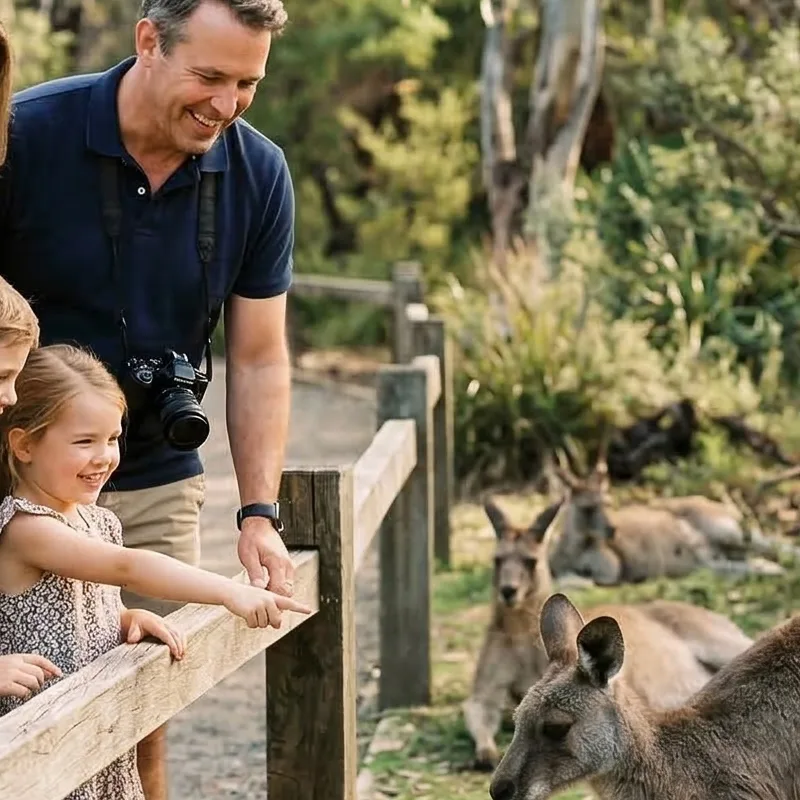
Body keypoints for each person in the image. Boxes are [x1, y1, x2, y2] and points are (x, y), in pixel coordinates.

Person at [0, 1, 295, 794]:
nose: (226, 105)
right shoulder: (25, 136)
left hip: (158, 467)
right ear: (148, 43)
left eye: (247, 84)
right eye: (209, 76)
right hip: (17, 475)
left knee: (139, 710)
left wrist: (258, 513)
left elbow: (260, 357)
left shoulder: (259, 173)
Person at [0, 343, 312, 800]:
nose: (104, 456)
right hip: (43, 740)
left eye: (111, 438)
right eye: (84, 441)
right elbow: (127, 567)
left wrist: (123, 618)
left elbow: (75, 602)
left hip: (100, 737)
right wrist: (229, 593)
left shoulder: (98, 521)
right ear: (24, 444)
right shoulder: (26, 528)